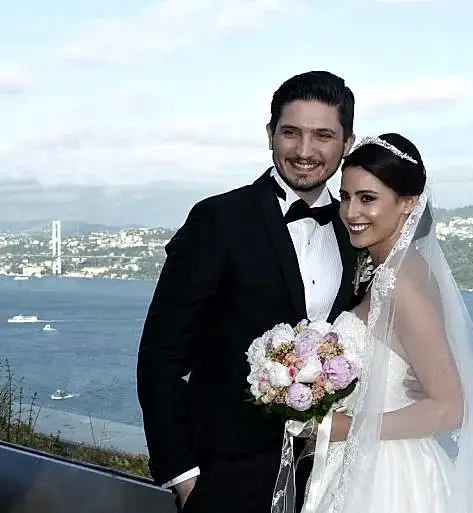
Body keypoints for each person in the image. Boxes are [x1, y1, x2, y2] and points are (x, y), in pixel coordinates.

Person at [275, 133, 473, 513]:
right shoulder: (385, 269)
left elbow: (451, 407)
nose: (351, 212)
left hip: (390, 476)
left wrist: (343, 426)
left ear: (408, 203)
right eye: (346, 196)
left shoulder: (401, 283)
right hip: (365, 461)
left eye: (367, 198)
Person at [136, 71, 360, 513]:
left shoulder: (354, 232)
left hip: (327, 481)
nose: (304, 150)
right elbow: (161, 357)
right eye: (291, 132)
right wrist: (184, 477)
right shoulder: (218, 220)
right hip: (226, 479)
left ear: (346, 144)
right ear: (270, 134)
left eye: (323, 135)